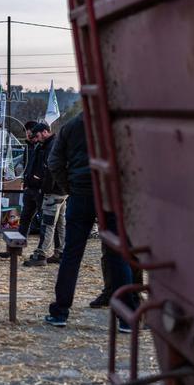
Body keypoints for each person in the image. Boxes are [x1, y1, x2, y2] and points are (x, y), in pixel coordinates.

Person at [43, 111, 134, 331]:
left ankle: (60, 312)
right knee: (118, 254)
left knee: (71, 255)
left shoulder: (71, 126)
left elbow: (54, 162)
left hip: (80, 194)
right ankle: (127, 316)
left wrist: (70, 187)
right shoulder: (118, 123)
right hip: (110, 195)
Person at [0, 120, 44, 258]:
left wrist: (39, 181)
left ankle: (48, 251)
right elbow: (25, 165)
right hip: (29, 188)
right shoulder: (28, 146)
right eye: (26, 131)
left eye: (29, 130)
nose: (27, 133)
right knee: (24, 219)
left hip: (41, 189)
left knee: (47, 222)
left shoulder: (42, 146)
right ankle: (16, 250)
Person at [23, 122, 67, 266]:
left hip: (53, 191)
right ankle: (60, 252)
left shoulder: (51, 146)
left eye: (37, 135)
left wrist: (44, 187)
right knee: (59, 222)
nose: (36, 138)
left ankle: (41, 254)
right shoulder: (54, 144)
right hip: (61, 190)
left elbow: (50, 170)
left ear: (45, 132)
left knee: (48, 223)